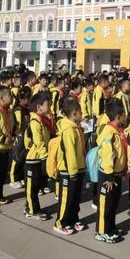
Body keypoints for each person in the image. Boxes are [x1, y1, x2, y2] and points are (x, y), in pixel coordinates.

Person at [95, 98, 127, 244]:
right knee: (106, 205)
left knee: (114, 203)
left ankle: (110, 227)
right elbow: (108, 156)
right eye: (124, 115)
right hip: (108, 176)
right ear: (119, 117)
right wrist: (108, 176)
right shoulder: (109, 132)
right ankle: (101, 231)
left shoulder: (117, 131)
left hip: (117, 174)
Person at [54, 98, 86, 235]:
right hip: (68, 170)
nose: (82, 113)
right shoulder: (68, 130)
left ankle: (73, 219)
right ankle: (60, 222)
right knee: (66, 198)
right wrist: (72, 171)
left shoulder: (75, 127)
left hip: (77, 168)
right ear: (74, 113)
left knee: (75, 197)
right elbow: (69, 152)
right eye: (80, 112)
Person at [24, 92, 51, 220]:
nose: (50, 105)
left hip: (38, 157)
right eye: (47, 104)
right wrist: (45, 156)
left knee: (35, 186)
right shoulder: (35, 121)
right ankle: (32, 210)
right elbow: (38, 142)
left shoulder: (42, 120)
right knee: (32, 187)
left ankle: (31, 206)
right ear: (39, 107)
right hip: (33, 158)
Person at [9, 86, 31, 189]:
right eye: (27, 98)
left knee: (22, 157)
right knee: (16, 157)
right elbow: (17, 125)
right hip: (19, 135)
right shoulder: (18, 110)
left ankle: (20, 176)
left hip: (25, 135)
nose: (28, 100)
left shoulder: (27, 109)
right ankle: (13, 178)